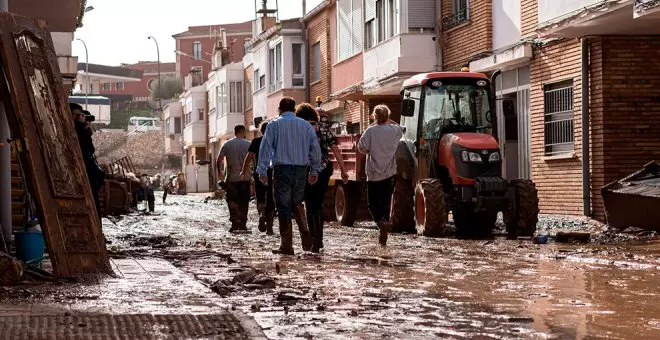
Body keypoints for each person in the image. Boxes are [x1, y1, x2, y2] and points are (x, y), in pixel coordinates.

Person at [257, 97, 321, 255]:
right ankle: (304, 229)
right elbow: (315, 148)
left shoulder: (274, 125)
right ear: (294, 109)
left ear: (279, 109)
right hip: (301, 169)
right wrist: (314, 170)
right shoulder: (306, 125)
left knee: (283, 206)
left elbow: (265, 148)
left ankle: (286, 245)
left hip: (281, 169)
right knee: (298, 201)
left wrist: (262, 170)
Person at [295, 103, 349, 252]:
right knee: (318, 204)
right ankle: (319, 240)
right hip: (323, 170)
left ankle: (311, 237)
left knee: (308, 204)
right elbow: (335, 149)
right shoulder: (324, 128)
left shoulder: (299, 129)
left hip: (304, 170)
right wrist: (344, 170)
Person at [357, 104, 404, 246]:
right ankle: (384, 222)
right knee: (385, 202)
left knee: (372, 203)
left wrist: (374, 124)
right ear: (388, 116)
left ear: (374, 116)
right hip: (390, 173)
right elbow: (403, 129)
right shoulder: (395, 129)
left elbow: (361, 148)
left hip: (374, 174)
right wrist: (388, 120)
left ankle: (381, 223)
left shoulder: (370, 131)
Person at [69, 103, 105, 224]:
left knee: (92, 205)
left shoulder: (82, 130)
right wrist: (81, 128)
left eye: (80, 115)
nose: (78, 118)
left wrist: (85, 129)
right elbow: (76, 144)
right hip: (75, 175)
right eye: (76, 115)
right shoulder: (69, 130)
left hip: (87, 175)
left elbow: (90, 149)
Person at [240, 121, 275, 235]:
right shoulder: (275, 140)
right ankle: (269, 226)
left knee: (260, 196)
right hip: (272, 172)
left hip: (259, 172)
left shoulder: (256, 141)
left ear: (261, 130)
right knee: (271, 197)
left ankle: (261, 214)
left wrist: (243, 171)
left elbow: (249, 157)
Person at [218, 125, 252, 232]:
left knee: (232, 200)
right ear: (243, 132)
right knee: (244, 201)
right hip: (245, 178)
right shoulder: (249, 144)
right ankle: (243, 224)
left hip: (231, 178)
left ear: (235, 132)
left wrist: (220, 173)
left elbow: (219, 160)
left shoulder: (227, 144)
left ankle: (234, 222)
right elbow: (255, 160)